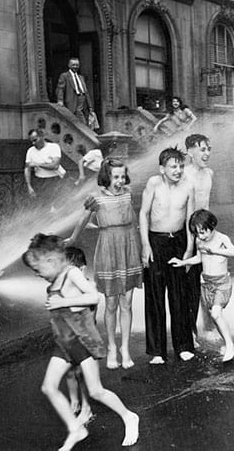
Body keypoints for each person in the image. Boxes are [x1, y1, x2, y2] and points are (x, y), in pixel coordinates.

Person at [22, 234, 139, 451]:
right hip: (64, 343)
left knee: (96, 391)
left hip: (81, 341)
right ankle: (76, 429)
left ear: (51, 260)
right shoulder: (54, 279)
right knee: (49, 387)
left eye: (38, 269)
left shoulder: (72, 273)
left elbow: (93, 297)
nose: (37, 275)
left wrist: (64, 301)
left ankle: (129, 416)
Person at [67, 158, 142, 370]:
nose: (119, 180)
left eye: (122, 176)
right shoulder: (96, 197)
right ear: (107, 177)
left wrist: (141, 247)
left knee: (126, 303)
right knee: (111, 304)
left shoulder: (127, 193)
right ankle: (111, 347)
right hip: (109, 248)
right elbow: (83, 219)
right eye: (115, 176)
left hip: (128, 247)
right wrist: (73, 239)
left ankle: (125, 348)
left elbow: (133, 220)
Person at [139, 147, 195, 364]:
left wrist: (189, 250)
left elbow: (190, 219)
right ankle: (157, 351)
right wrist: (145, 245)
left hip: (179, 242)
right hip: (155, 241)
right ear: (162, 169)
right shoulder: (154, 183)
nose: (178, 170)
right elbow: (143, 214)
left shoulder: (188, 186)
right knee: (154, 296)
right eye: (173, 166)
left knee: (179, 294)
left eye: (181, 166)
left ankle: (183, 345)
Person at [169, 209, 234, 362]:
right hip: (206, 283)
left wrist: (216, 250)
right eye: (197, 233)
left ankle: (230, 345)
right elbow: (199, 258)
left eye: (203, 232)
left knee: (216, 314)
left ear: (212, 225)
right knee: (215, 316)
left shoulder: (221, 238)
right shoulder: (200, 241)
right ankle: (227, 344)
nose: (200, 236)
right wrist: (183, 262)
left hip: (221, 283)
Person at [183, 134, 216, 345]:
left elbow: (207, 206)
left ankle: (209, 325)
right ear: (190, 152)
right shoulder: (184, 174)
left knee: (210, 279)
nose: (206, 153)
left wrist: (211, 235)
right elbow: (186, 212)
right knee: (191, 284)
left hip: (206, 232)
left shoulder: (210, 173)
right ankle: (190, 331)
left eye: (208, 149)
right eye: (202, 149)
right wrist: (189, 245)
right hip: (190, 233)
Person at [63, 246, 95, 426]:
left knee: (81, 373)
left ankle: (86, 406)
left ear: (81, 270)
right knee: (69, 371)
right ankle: (74, 401)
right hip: (67, 337)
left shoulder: (88, 288)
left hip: (84, 338)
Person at [25, 128, 66, 201]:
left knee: (59, 204)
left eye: (35, 140)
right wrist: (29, 186)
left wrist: (37, 164)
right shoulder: (30, 151)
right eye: (31, 141)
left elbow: (55, 166)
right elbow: (27, 168)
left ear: (41, 137)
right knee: (43, 205)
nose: (33, 143)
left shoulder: (53, 147)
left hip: (56, 180)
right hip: (40, 181)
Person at [56, 57, 94, 125]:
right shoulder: (64, 76)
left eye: (77, 65)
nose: (75, 67)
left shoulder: (81, 77)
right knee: (80, 121)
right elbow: (60, 89)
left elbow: (86, 92)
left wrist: (90, 106)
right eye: (73, 65)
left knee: (86, 121)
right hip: (73, 101)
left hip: (83, 102)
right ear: (69, 65)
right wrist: (60, 100)